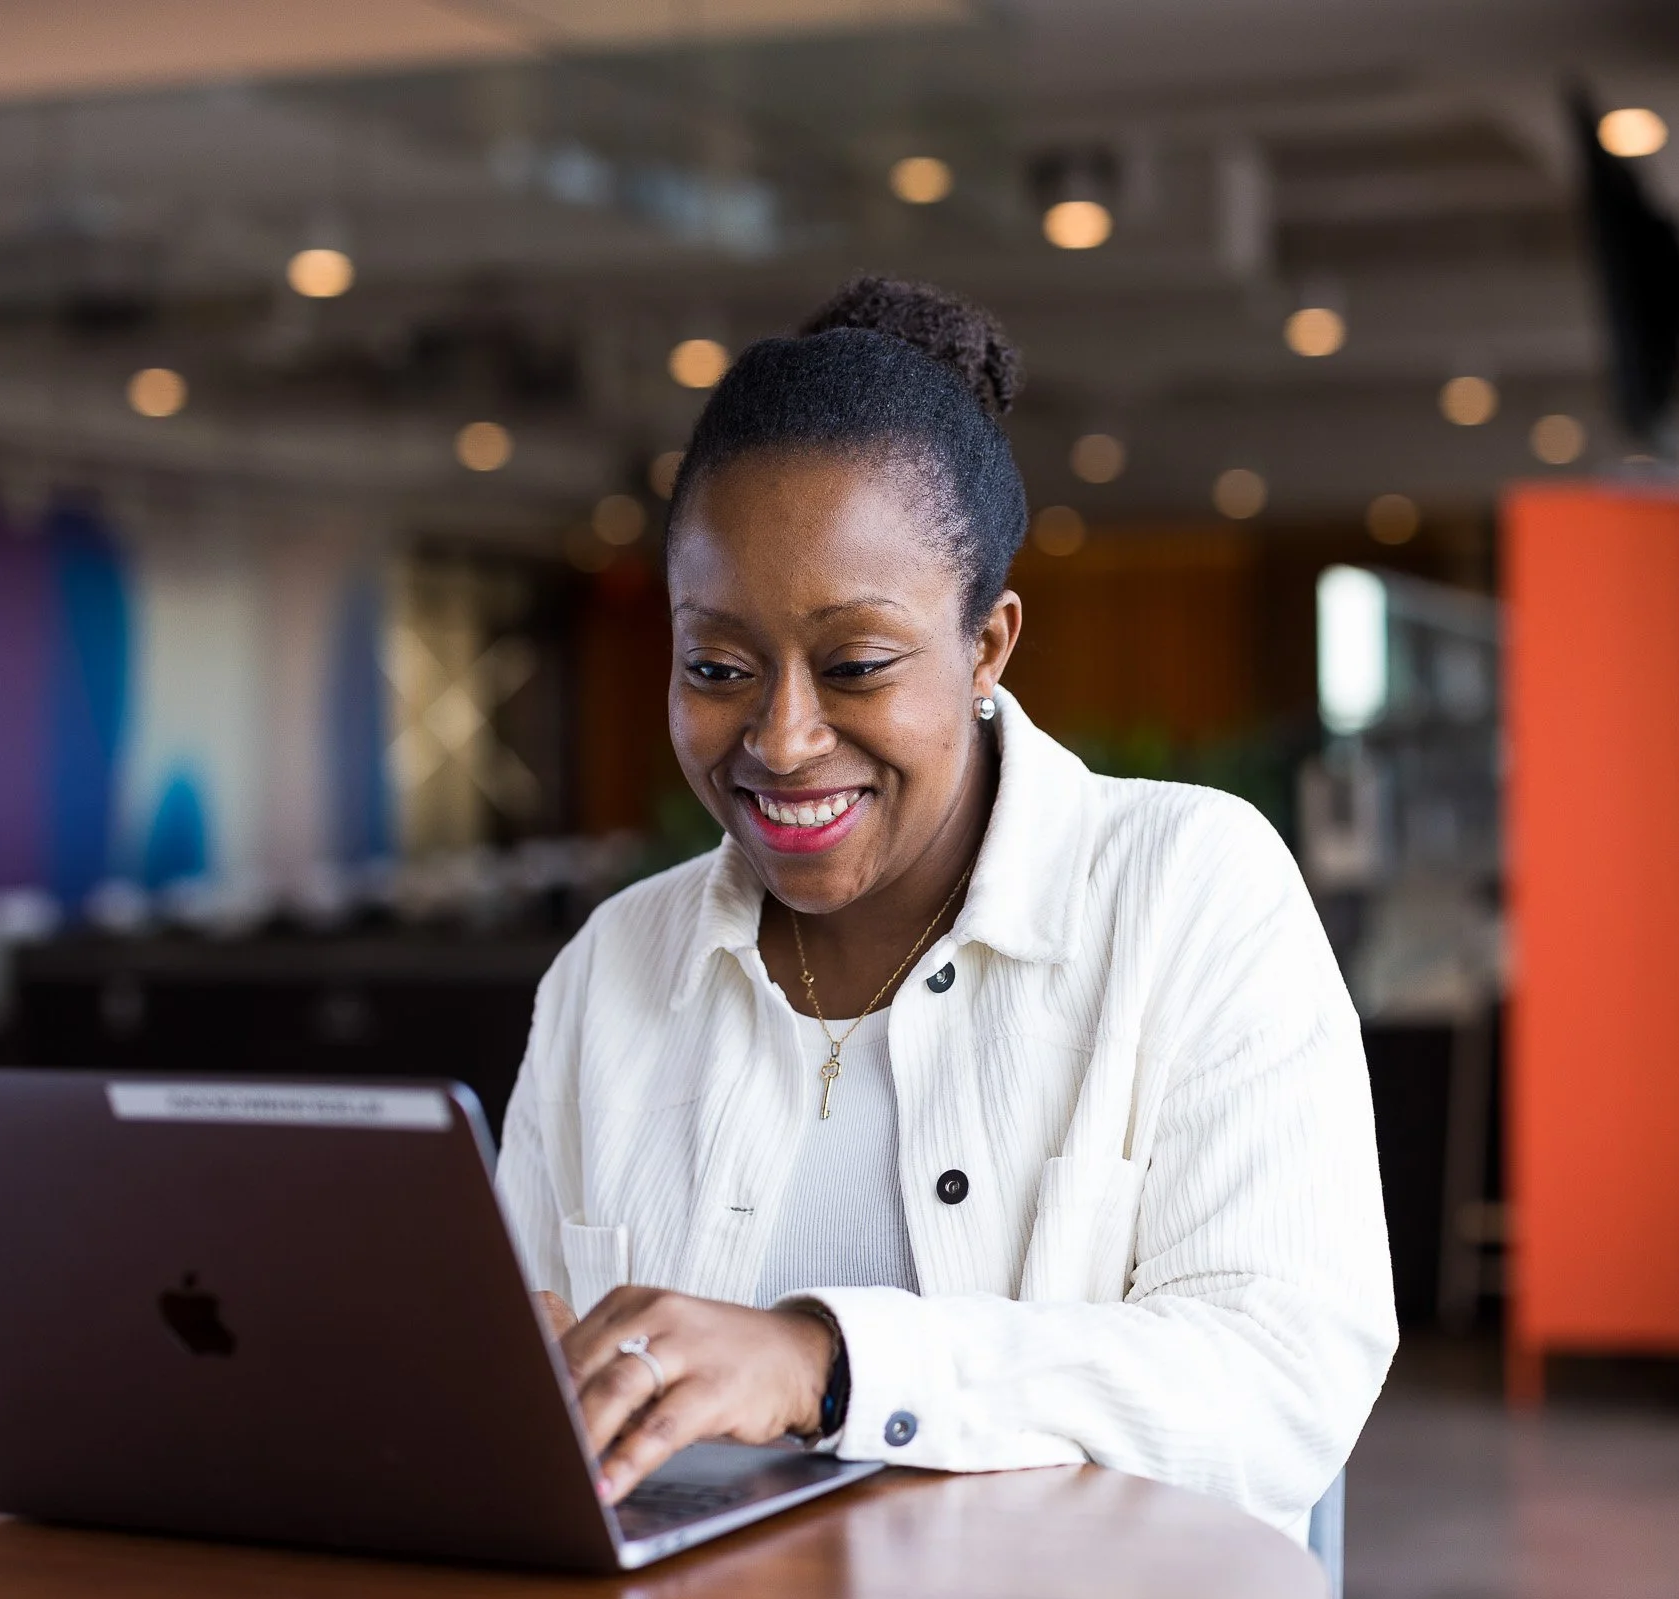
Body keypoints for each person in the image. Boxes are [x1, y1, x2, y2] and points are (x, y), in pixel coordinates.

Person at [495, 275, 1395, 1533]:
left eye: (856, 664)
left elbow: (1279, 1381)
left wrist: (826, 1360)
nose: (783, 735)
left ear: (987, 646)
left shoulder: (1188, 889)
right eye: (716, 666)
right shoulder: (612, 967)